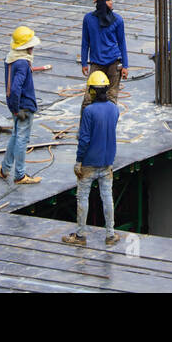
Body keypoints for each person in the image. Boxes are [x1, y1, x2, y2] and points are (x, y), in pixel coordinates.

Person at [63, 70, 121, 248]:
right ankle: (110, 234)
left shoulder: (88, 111)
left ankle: (80, 235)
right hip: (107, 161)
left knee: (83, 198)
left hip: (89, 162)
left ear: (92, 91)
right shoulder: (114, 109)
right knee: (107, 197)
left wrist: (78, 161)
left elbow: (85, 139)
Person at [0, 26, 42, 185]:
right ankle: (20, 175)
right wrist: (17, 109)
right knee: (22, 140)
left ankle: (5, 169)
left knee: (15, 136)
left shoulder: (10, 58)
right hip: (24, 106)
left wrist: (12, 108)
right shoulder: (23, 63)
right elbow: (16, 88)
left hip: (15, 105)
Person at [80, 0, 128, 111]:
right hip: (97, 64)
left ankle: (108, 128)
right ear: (101, 2)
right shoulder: (88, 19)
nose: (111, 2)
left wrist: (125, 66)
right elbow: (85, 42)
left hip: (114, 62)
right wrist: (84, 63)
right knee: (88, 99)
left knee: (111, 98)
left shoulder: (117, 20)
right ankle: (85, 128)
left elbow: (122, 43)